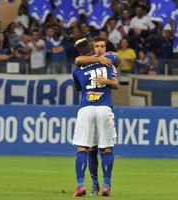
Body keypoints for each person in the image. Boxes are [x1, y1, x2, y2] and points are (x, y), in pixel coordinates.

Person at [72, 38, 118, 197]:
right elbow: (116, 81)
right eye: (97, 46)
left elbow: (78, 84)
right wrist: (99, 60)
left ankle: (80, 185)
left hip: (85, 108)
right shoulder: (107, 62)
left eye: (102, 46)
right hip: (104, 108)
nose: (100, 49)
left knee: (84, 148)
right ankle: (106, 185)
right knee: (105, 148)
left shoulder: (77, 69)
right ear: (92, 49)